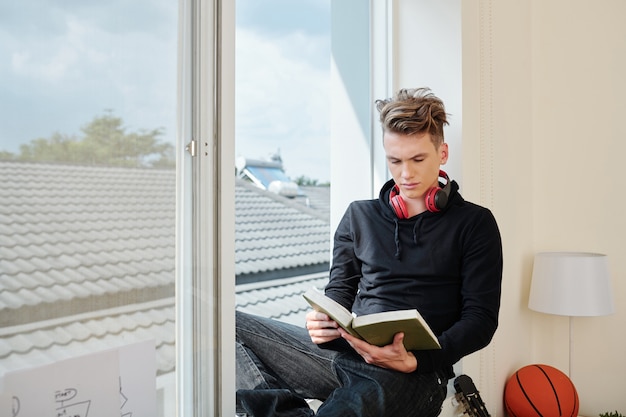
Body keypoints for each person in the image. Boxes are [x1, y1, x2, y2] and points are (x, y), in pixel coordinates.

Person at [235, 87, 503, 417]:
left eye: (418, 159)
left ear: (442, 153)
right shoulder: (359, 216)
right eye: (395, 161)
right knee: (224, 324)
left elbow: (480, 320)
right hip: (345, 355)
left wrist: (418, 360)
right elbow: (339, 293)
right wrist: (323, 325)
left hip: (414, 373)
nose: (406, 174)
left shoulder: (475, 223)